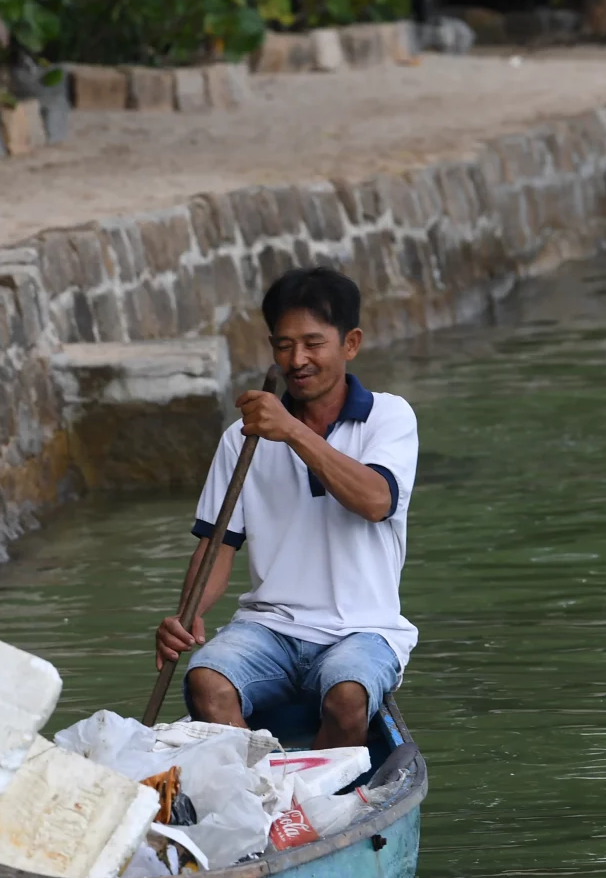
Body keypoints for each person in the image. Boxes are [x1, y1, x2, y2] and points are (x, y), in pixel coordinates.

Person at [154, 266, 419, 748]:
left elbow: (376, 501)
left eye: (313, 344)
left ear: (351, 343)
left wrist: (291, 431)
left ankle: (319, 802)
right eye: (283, 345)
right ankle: (255, 795)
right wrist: (186, 613)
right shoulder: (242, 439)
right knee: (206, 681)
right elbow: (217, 547)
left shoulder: (389, 416)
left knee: (347, 695)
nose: (297, 360)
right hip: (268, 628)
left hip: (363, 632)